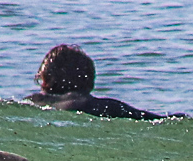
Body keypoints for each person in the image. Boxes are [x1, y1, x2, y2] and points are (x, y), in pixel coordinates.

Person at [27, 44, 166, 120]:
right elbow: (160, 121)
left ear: (45, 80)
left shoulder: (30, 102)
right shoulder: (106, 106)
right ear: (90, 83)